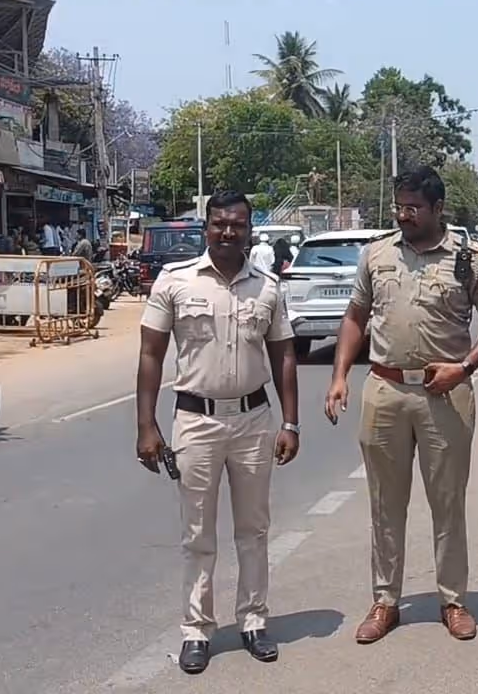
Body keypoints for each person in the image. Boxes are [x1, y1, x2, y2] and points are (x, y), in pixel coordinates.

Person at [323, 166, 478, 645]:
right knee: (384, 503)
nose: (404, 215)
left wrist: (465, 368)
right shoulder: (377, 254)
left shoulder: (469, 258)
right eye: (399, 206)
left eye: (414, 208)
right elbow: (355, 315)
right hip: (386, 389)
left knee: (447, 502)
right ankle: (385, 601)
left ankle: (453, 600)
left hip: (446, 393)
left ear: (438, 208)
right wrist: (339, 376)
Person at [135, 190, 301, 675]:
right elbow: (150, 353)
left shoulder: (267, 288)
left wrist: (290, 422)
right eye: (219, 223)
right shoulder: (176, 280)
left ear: (249, 230)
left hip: (253, 421)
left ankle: (253, 621)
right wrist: (147, 425)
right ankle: (196, 630)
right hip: (196, 422)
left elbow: (284, 356)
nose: (228, 232)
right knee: (197, 534)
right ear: (206, 227)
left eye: (238, 224)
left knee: (254, 529)